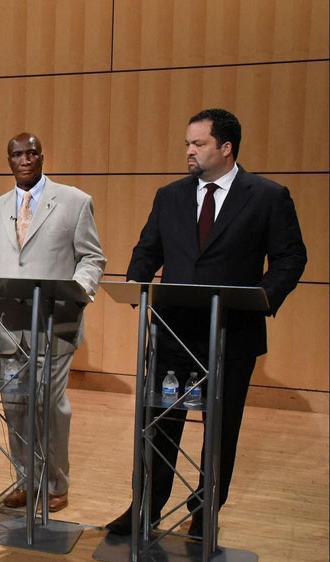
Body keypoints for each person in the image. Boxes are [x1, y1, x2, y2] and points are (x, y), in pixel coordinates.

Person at [107, 109, 307, 537]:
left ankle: (204, 512)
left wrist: (263, 298)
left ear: (226, 147)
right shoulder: (170, 195)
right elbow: (148, 249)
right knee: (158, 425)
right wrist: (135, 279)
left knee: (219, 430)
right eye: (187, 144)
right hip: (172, 333)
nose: (189, 152)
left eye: (198, 144)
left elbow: (291, 257)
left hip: (231, 335)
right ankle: (146, 507)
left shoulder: (269, 195)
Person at [0, 132, 105, 513]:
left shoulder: (75, 202)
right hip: (8, 324)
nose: (25, 159)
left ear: (43, 156)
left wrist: (77, 290)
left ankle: (56, 483)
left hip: (55, 322)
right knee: (15, 405)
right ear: (8, 160)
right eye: (17, 154)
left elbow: (92, 257)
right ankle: (26, 480)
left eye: (31, 153)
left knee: (48, 404)